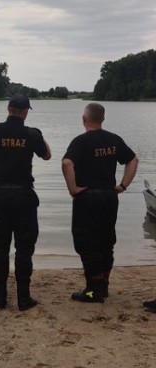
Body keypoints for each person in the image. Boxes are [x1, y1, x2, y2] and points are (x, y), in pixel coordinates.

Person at [0, 94, 51, 311]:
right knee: (24, 248)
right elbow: (47, 155)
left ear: (8, 109)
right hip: (24, 196)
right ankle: (23, 297)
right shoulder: (32, 133)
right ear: (26, 111)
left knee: (0, 247)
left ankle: (0, 296)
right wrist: (37, 136)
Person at [61, 103, 138, 303]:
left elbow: (66, 162)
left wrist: (72, 189)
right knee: (106, 240)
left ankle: (92, 291)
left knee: (87, 242)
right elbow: (133, 160)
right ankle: (103, 285)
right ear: (102, 119)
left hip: (87, 197)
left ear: (84, 119)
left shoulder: (80, 141)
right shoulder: (114, 140)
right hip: (109, 197)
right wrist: (122, 186)